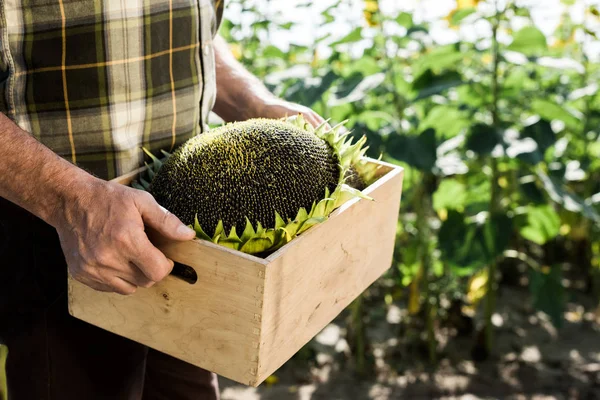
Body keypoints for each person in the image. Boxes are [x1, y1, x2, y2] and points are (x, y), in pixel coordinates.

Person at [0, 1, 326, 399]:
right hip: (55, 232)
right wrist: (68, 200)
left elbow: (179, 23)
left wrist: (246, 99)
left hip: (193, 227)